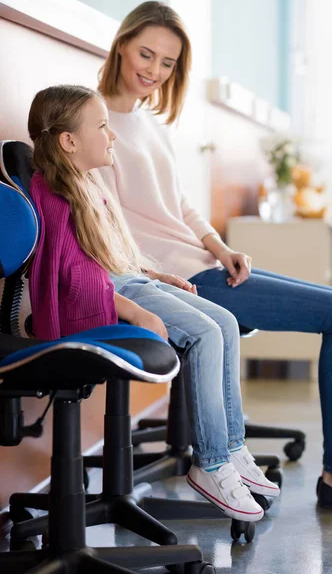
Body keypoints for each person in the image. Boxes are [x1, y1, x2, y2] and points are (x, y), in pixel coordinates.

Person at [97, 1, 332, 515]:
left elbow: (181, 206)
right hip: (179, 280)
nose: (153, 70)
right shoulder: (95, 122)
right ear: (122, 44)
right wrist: (161, 277)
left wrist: (222, 247)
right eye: (145, 54)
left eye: (167, 63)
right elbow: (103, 224)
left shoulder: (150, 123)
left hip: (205, 263)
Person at [27, 83, 280, 523]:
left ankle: (232, 444)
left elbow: (109, 255)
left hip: (127, 283)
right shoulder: (53, 191)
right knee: (202, 333)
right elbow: (76, 276)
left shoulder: (86, 182)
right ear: (68, 141)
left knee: (221, 319)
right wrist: (137, 311)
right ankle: (212, 463)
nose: (112, 135)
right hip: (110, 297)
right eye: (102, 127)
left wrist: (154, 275)